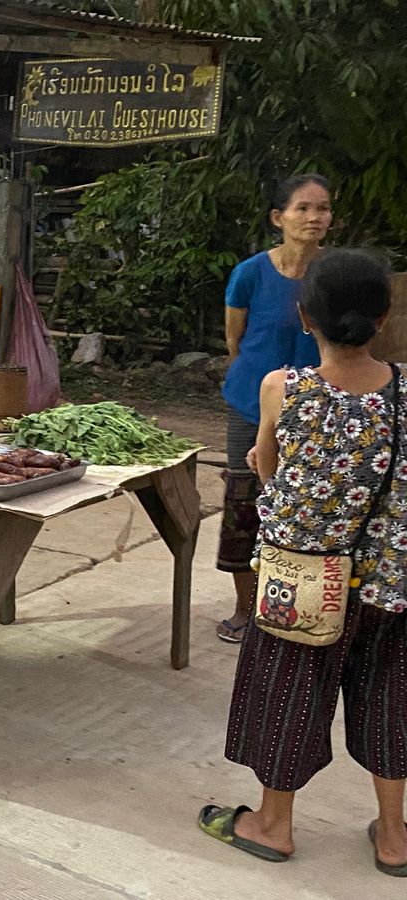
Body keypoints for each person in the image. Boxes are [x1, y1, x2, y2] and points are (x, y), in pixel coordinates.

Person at [199, 248, 407, 877]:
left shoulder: (283, 388)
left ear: (303, 314)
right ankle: (395, 839)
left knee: (289, 696)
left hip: (303, 582)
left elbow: (266, 465)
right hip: (391, 585)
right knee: (391, 698)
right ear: (383, 317)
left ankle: (272, 825)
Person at [215, 174, 333, 644]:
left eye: (322, 208)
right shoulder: (249, 273)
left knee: (308, 507)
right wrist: (265, 391)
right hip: (249, 406)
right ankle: (246, 609)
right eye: (303, 208)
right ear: (278, 217)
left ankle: (301, 606)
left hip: (317, 411)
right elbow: (235, 341)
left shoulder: (334, 274)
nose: (313, 217)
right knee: (245, 507)